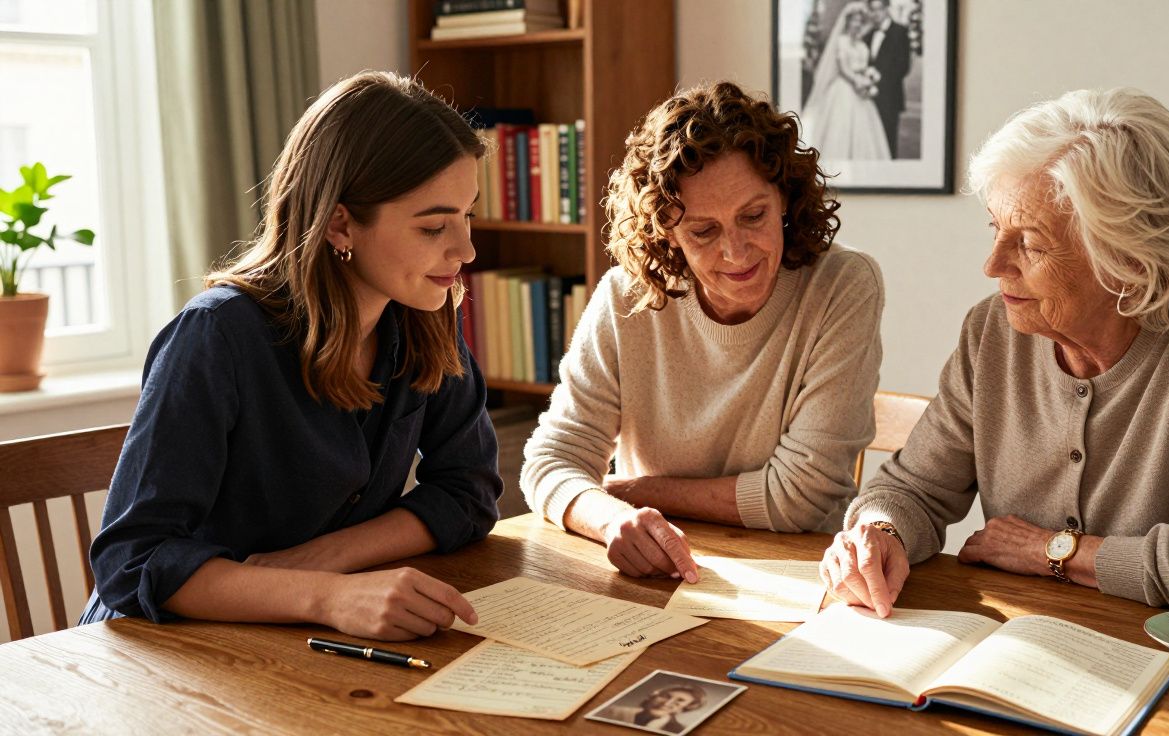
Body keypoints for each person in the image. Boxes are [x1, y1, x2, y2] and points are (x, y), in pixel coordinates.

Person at [822, 88, 1169, 616]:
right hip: (1018, 642)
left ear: (1128, 259)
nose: (993, 264)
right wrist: (878, 531)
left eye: (1029, 241)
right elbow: (915, 488)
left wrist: (1055, 551)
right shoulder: (993, 331)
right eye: (996, 228)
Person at [80, 71, 501, 641]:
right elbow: (131, 563)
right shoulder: (215, 337)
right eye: (433, 227)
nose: (466, 249)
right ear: (339, 223)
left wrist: (323, 559)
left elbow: (468, 491)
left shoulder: (427, 318)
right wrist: (326, 595)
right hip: (163, 651)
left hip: (296, 638)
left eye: (467, 215)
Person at [521, 81, 884, 581]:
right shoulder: (626, 295)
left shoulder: (841, 286)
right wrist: (610, 520)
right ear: (667, 232)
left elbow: (800, 498)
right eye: (703, 231)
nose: (736, 252)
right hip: (651, 571)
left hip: (797, 575)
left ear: (785, 198)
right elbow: (551, 460)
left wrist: (634, 490)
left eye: (753, 216)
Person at [800, 2, 892, 162]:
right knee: (841, 127)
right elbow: (843, 68)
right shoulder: (842, 41)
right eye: (854, 20)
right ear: (847, 21)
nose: (857, 24)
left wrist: (869, 76)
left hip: (861, 92)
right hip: (844, 88)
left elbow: (864, 66)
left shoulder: (862, 44)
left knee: (864, 130)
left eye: (859, 21)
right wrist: (858, 81)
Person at [865, 0, 911, 157]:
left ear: (886, 9)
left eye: (878, 9)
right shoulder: (868, 35)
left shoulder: (900, 32)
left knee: (888, 142)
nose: (875, 14)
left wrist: (879, 82)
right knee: (870, 142)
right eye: (872, 10)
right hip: (867, 99)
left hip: (890, 98)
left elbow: (903, 67)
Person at [598, 685, 707, 734]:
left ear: (687, 708)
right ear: (655, 696)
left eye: (680, 701)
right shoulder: (613, 711)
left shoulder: (678, 730)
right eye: (666, 696)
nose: (667, 703)